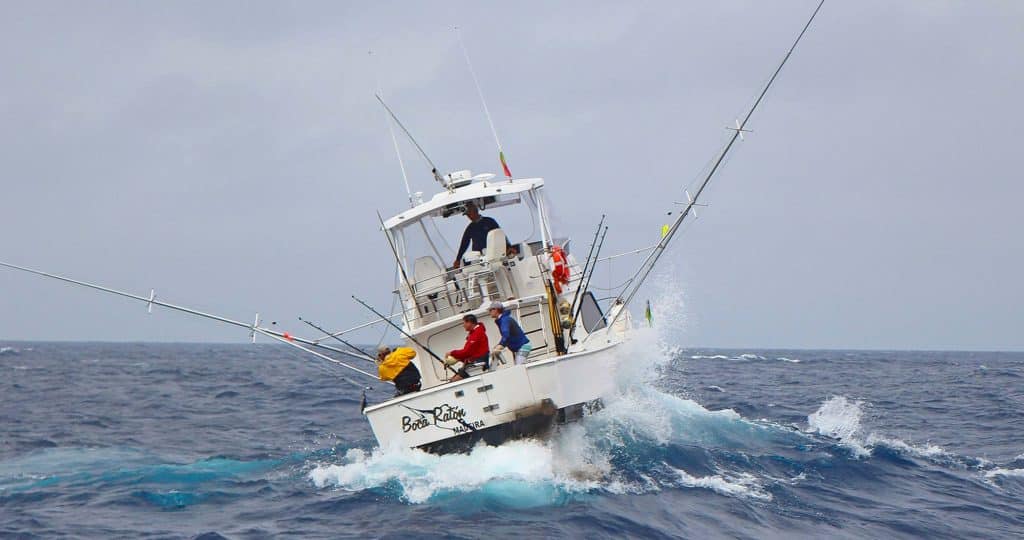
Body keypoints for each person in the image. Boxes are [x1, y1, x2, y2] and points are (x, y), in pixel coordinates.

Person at [452, 202, 512, 268]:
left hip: (494, 255)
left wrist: (509, 247)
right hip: (479, 259)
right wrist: (458, 259)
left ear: (475, 211)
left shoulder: (489, 221)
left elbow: (500, 235)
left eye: (469, 213)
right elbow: (464, 244)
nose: (469, 216)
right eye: (467, 215)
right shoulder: (470, 228)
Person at [445, 313, 490, 381]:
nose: (463, 325)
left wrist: (451, 353)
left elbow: (467, 352)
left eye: (464, 323)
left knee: (453, 381)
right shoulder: (475, 332)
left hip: (477, 362)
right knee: (453, 379)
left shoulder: (477, 333)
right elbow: (471, 352)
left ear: (469, 322)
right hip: (475, 361)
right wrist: (459, 359)